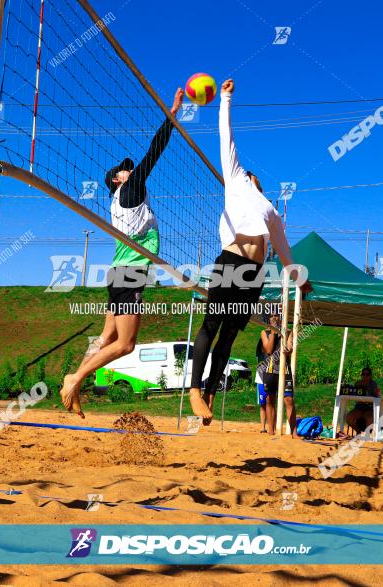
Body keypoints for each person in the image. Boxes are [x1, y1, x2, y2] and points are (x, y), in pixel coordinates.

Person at [188, 78, 311, 424]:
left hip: (254, 275)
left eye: (256, 176)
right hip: (231, 261)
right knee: (212, 325)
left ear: (261, 183)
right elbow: (227, 138)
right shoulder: (236, 179)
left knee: (228, 337)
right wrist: (225, 98)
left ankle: (211, 390)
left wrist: (299, 279)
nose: (251, 175)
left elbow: (284, 250)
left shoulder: (270, 209)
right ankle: (195, 389)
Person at [61, 88, 185, 417]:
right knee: (125, 344)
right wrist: (172, 115)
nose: (131, 170)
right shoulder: (128, 190)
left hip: (119, 273)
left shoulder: (122, 202)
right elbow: (154, 152)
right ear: (118, 179)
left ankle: (72, 381)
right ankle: (75, 378)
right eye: (125, 169)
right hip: (128, 275)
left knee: (106, 336)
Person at [260, 314, 297, 438]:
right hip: (270, 369)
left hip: (285, 369)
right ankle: (271, 430)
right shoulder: (264, 333)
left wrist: (289, 347)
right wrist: (274, 332)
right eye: (272, 316)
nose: (274, 318)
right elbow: (269, 350)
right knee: (270, 399)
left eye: (276, 316)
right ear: (268, 319)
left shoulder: (288, 331)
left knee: (289, 400)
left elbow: (290, 346)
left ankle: (294, 432)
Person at [344, 366, 381, 436]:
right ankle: (359, 432)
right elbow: (354, 394)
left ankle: (367, 434)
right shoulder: (358, 383)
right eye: (363, 374)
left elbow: (378, 396)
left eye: (367, 374)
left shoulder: (373, 384)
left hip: (369, 408)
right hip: (359, 407)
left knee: (369, 418)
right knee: (349, 417)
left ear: (370, 376)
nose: (365, 376)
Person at [255, 335, 267, 433]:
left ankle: (272, 426)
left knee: (271, 404)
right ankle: (263, 427)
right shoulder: (260, 354)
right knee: (263, 405)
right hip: (261, 381)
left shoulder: (274, 353)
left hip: (271, 380)